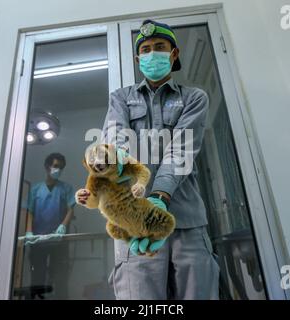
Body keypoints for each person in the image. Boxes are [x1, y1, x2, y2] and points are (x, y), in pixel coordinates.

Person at [78, 19, 220, 300]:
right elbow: (115, 143)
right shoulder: (120, 99)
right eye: (145, 49)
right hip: (134, 219)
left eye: (159, 47)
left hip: (186, 219)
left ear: (173, 53)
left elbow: (182, 149)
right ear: (137, 58)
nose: (151, 53)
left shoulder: (193, 99)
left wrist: (160, 195)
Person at [25, 152, 76, 298]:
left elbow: (71, 209)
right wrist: (29, 232)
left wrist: (63, 227)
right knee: (37, 279)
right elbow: (30, 211)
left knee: (60, 279)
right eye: (55, 166)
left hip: (58, 241)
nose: (58, 170)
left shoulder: (66, 188)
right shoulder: (35, 189)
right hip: (38, 240)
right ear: (47, 167)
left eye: (60, 167)